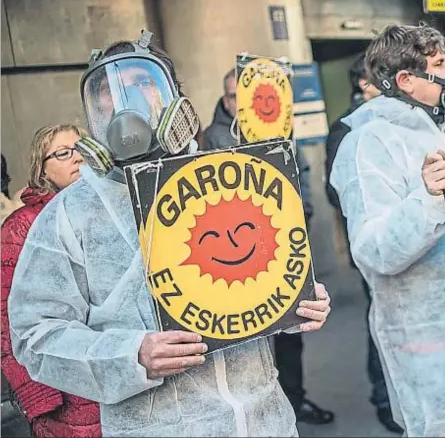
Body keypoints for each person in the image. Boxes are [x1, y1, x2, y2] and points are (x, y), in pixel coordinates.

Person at [8, 32, 331, 437]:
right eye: (107, 91)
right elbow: (35, 336)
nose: (125, 101)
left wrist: (296, 300)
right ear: (93, 109)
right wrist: (131, 355)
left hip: (266, 421)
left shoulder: (229, 180)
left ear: (174, 99)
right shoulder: (70, 214)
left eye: (142, 82)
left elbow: (260, 274)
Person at [330, 24, 445, 436]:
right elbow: (374, 251)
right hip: (433, 340)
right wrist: (428, 199)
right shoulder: (368, 144)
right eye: (441, 64)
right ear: (407, 80)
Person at [203, 67, 333, 425]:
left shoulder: (277, 130)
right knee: (245, 336)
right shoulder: (212, 140)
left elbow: (300, 173)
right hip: (238, 254)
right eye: (234, 98)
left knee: (293, 326)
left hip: (282, 247)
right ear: (226, 99)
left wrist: (300, 213)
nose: (242, 105)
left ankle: (294, 399)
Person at [1, 124, 99, 438]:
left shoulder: (110, 208)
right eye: (63, 153)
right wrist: (37, 396)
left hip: (117, 371)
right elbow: (8, 319)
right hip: (63, 387)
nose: (77, 158)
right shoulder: (22, 226)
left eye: (82, 148)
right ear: (42, 170)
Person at [323, 53, 402, 434]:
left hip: (405, 241)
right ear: (365, 84)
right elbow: (335, 190)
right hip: (374, 245)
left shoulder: (395, 122)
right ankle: (384, 397)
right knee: (383, 322)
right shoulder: (345, 128)